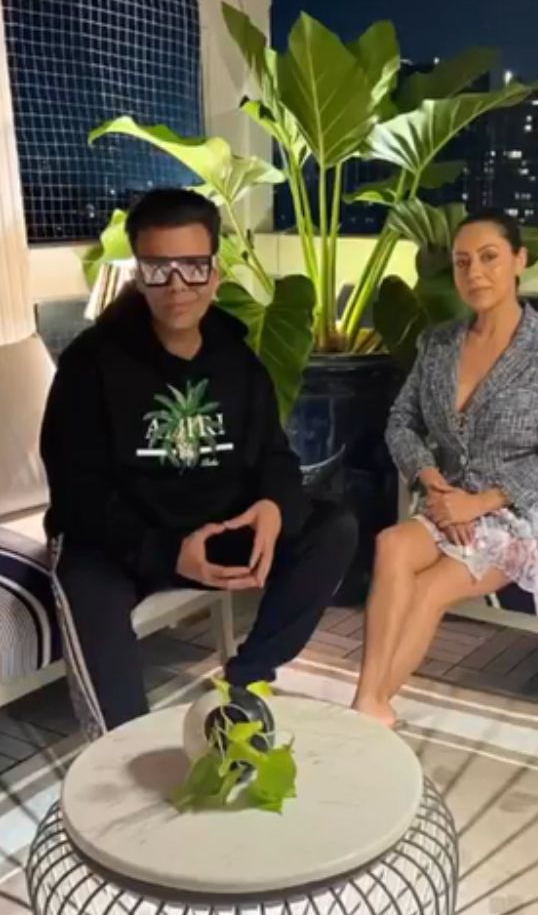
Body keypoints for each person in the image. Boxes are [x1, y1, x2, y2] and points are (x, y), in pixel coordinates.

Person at [41, 187, 356, 739]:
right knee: (85, 582)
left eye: (192, 266)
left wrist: (274, 507)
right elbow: (77, 496)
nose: (177, 285)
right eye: (159, 268)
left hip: (211, 530)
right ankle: (117, 746)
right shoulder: (91, 364)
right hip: (120, 542)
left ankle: (246, 679)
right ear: (139, 274)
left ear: (214, 272)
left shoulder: (237, 359)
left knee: (333, 527)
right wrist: (168, 552)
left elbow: (274, 456)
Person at [352, 209, 538, 727]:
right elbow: (401, 423)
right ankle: (370, 704)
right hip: (451, 497)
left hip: (527, 509)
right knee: (391, 544)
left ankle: (365, 715)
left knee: (431, 588)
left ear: (520, 260)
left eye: (489, 257)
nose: (475, 273)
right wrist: (431, 482)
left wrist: (479, 503)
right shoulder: (438, 344)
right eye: (462, 262)